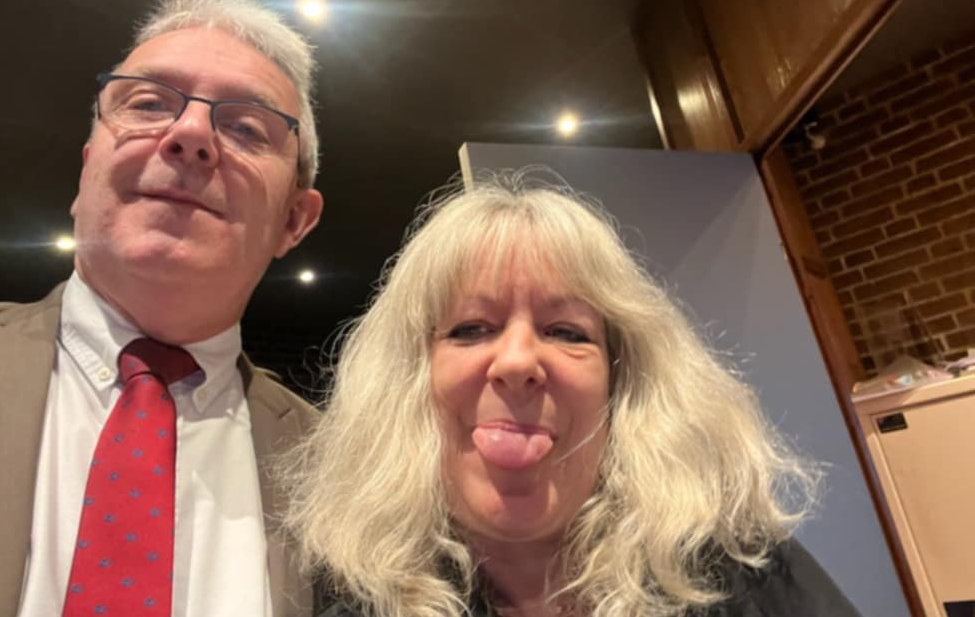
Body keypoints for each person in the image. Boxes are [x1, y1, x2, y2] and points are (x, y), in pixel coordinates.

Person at [285, 175, 861, 617]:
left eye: (566, 332)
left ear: (621, 384)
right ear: (409, 384)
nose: (517, 362)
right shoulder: (357, 606)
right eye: (471, 329)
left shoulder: (748, 576)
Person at [0, 0, 325, 617]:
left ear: (293, 220)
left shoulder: (337, 468)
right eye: (147, 104)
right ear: (87, 170)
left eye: (247, 128)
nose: (190, 134)